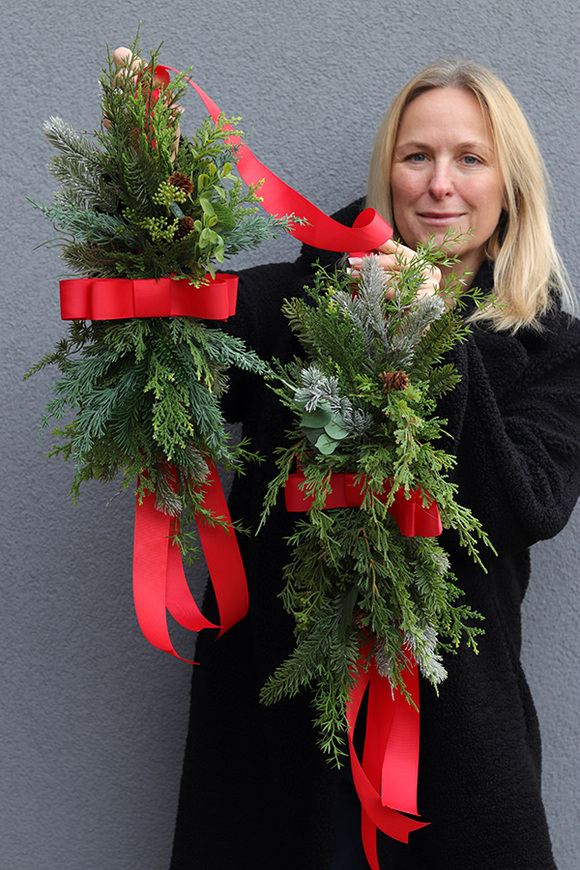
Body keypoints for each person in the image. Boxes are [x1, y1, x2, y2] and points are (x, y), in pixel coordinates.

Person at [155, 58, 580, 870]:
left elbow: (526, 503)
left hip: (456, 734)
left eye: (470, 158)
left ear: (510, 185)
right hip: (279, 721)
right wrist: (153, 209)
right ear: (389, 171)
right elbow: (172, 328)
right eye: (416, 155)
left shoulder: (552, 350)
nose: (440, 185)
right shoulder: (299, 299)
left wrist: (425, 342)